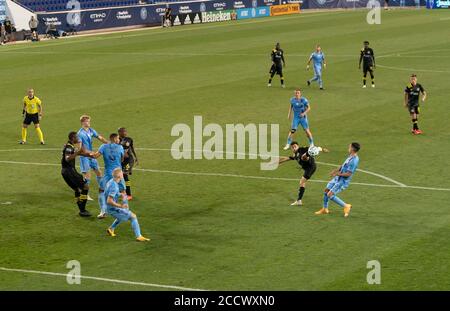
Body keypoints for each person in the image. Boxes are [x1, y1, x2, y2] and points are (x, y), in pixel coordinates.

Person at [315, 143, 360, 217]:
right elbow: (343, 165)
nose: (348, 147)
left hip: (342, 181)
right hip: (337, 178)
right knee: (326, 190)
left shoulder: (354, 160)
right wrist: (335, 171)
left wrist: (337, 174)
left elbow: (348, 174)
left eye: (349, 147)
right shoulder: (351, 156)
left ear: (353, 149)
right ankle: (325, 209)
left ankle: (346, 206)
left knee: (330, 194)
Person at [105, 168, 150, 242]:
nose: (123, 174)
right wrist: (121, 206)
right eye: (121, 173)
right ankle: (139, 236)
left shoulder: (111, 182)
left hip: (110, 208)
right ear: (119, 176)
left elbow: (109, 194)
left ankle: (111, 229)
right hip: (113, 209)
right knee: (133, 216)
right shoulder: (114, 186)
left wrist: (120, 194)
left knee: (121, 217)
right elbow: (109, 200)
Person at [278, 142, 329, 206]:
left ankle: (299, 201)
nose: (294, 148)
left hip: (310, 167)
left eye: (295, 146)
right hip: (308, 167)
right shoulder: (295, 155)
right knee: (302, 182)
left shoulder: (302, 149)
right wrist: (279, 162)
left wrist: (322, 149)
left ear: (298, 146)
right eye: (292, 147)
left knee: (302, 181)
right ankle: (299, 200)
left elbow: (314, 148)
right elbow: (288, 158)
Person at [91, 133, 126, 219]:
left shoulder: (103, 146)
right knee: (123, 191)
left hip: (108, 173)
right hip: (118, 173)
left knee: (101, 190)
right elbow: (122, 159)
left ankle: (103, 211)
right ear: (114, 139)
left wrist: (86, 153)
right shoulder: (120, 147)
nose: (119, 140)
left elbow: (95, 156)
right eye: (118, 139)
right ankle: (124, 209)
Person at [61, 132, 94, 217]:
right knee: (85, 186)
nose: (78, 139)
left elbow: (79, 153)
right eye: (77, 137)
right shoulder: (68, 148)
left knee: (77, 190)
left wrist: (91, 155)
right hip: (69, 171)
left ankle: (81, 210)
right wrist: (78, 152)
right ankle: (82, 210)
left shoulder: (70, 146)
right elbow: (68, 159)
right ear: (73, 138)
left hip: (66, 172)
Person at [77, 115, 108, 201]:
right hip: (84, 157)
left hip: (91, 156)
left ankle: (102, 190)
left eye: (89, 121)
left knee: (99, 173)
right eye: (87, 121)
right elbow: (80, 149)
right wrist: (89, 152)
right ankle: (85, 194)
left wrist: (108, 143)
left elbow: (100, 137)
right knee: (87, 176)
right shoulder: (80, 134)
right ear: (83, 122)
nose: (89, 123)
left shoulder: (91, 130)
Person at [118, 127, 138, 200]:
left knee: (124, 175)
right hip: (120, 161)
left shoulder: (129, 139)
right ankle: (122, 191)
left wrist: (136, 157)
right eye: (123, 132)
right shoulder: (117, 140)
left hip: (129, 160)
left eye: (125, 131)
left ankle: (129, 194)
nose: (125, 133)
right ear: (119, 133)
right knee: (119, 176)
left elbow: (132, 148)